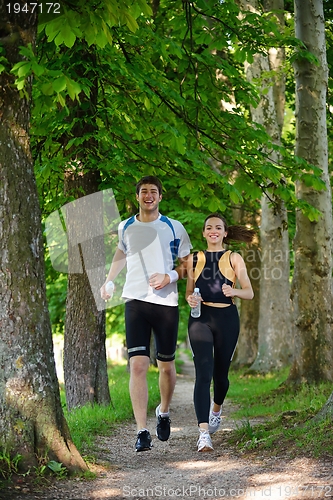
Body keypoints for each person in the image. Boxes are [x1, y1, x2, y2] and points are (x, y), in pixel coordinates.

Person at [100, 176, 192, 452]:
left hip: (166, 304)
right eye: (143, 192)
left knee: (166, 366)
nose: (148, 195)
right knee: (138, 365)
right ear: (137, 196)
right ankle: (142, 431)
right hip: (135, 301)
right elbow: (121, 253)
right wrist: (109, 280)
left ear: (160, 197)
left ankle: (163, 411)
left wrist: (170, 276)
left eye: (153, 191)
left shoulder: (174, 228)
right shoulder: (126, 226)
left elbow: (187, 265)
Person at [186, 213, 254, 452]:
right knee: (203, 373)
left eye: (218, 227)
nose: (213, 230)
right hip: (200, 319)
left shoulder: (234, 257)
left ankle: (216, 409)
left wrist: (233, 292)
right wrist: (191, 300)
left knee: (220, 375)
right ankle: (203, 433)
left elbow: (249, 292)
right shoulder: (194, 258)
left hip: (227, 318)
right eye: (208, 227)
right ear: (204, 233)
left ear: (225, 233)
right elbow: (188, 293)